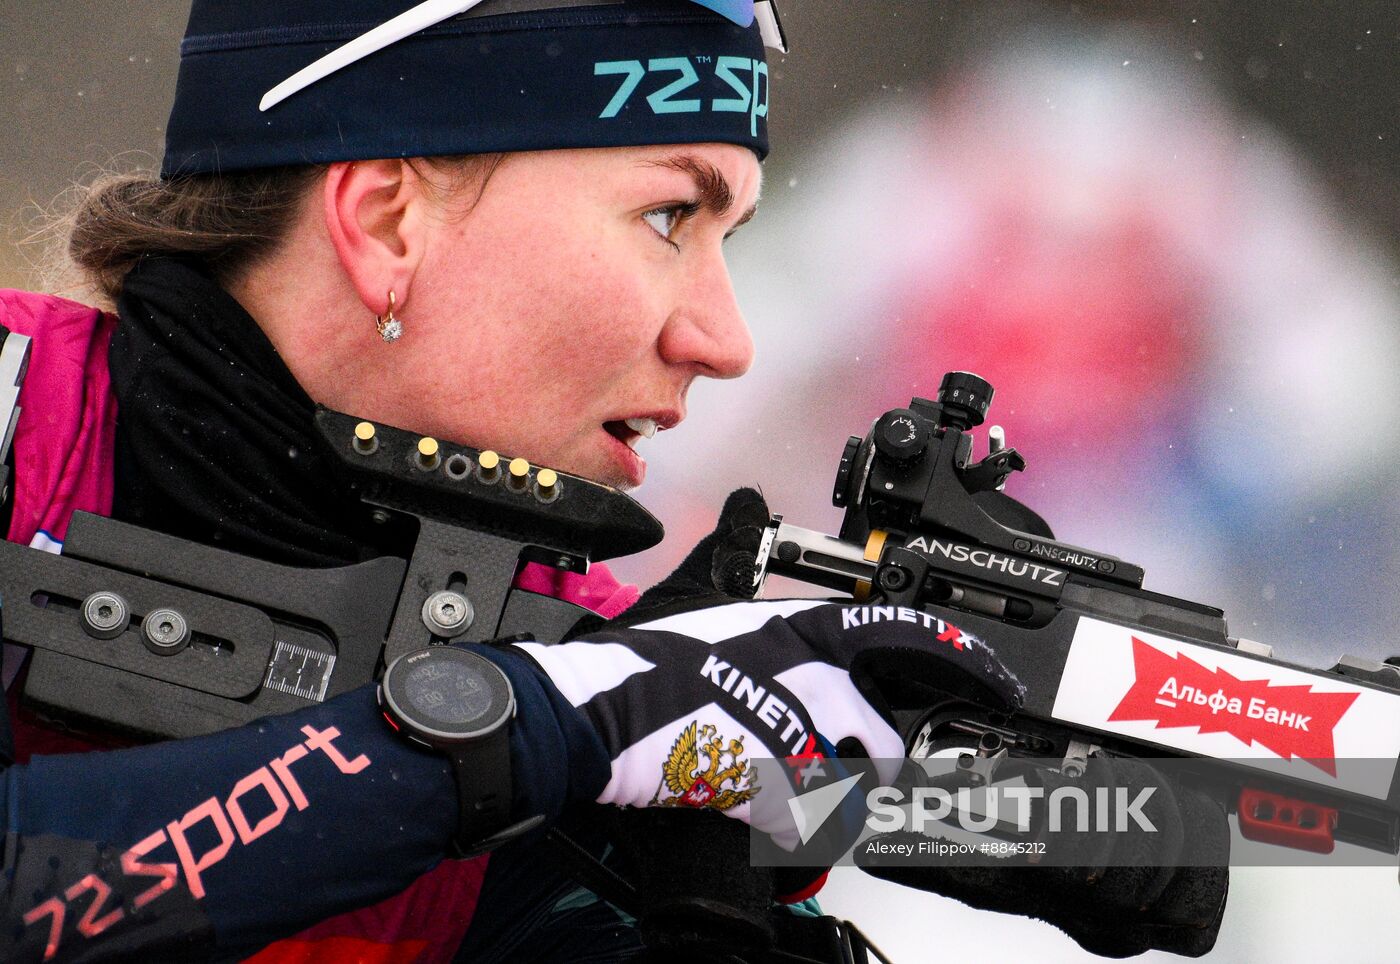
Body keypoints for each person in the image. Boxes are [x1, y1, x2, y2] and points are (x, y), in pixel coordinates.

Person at [0, 1, 1229, 961]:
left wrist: (675, 878)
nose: (724, 335)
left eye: (727, 238)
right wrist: (518, 735)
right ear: (384, 221)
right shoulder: (10, 407)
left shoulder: (571, 660)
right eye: (664, 218)